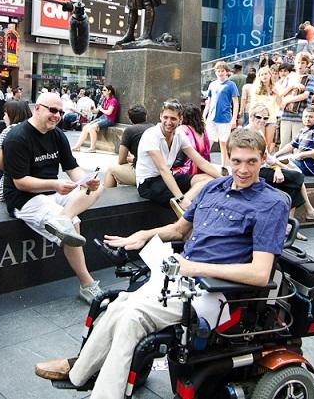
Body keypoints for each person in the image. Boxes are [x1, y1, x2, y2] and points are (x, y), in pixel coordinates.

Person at [33, 128, 289, 398]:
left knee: (133, 316)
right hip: (181, 275)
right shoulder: (214, 187)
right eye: (237, 161)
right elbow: (179, 230)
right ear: (228, 160)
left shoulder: (271, 204)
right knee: (118, 304)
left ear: (263, 158)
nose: (244, 169)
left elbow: (261, 274)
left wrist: (195, 268)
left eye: (251, 161)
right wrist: (142, 235)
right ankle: (79, 373)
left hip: (217, 292)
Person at [2, 92, 104, 304]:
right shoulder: (17, 137)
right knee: (73, 226)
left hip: (54, 193)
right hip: (24, 199)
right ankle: (87, 285)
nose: (57, 115)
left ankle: (62, 219)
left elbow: (72, 168)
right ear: (37, 108)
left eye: (60, 111)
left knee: (98, 187)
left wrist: (86, 181)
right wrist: (55, 184)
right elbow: (20, 182)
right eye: (53, 110)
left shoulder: (57, 135)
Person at [137, 101, 221, 217]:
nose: (168, 122)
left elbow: (200, 161)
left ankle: (180, 205)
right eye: (165, 117)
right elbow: (162, 169)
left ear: (180, 119)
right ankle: (182, 204)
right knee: (196, 201)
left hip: (168, 177)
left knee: (208, 179)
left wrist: (224, 179)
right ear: (160, 116)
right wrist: (180, 197)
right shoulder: (151, 135)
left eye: (173, 118)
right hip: (149, 183)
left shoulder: (179, 135)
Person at [247, 105, 314, 224]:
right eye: (259, 117)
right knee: (297, 177)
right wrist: (280, 166)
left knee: (293, 185)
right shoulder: (248, 133)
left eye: (266, 118)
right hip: (254, 172)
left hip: (309, 165)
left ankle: (289, 225)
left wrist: (278, 166)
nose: (262, 121)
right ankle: (307, 212)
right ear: (251, 117)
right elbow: (265, 159)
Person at [0, 100, 33, 200]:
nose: (4, 117)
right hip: (34, 177)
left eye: (5, 114)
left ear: (11, 115)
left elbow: (0, 165)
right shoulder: (34, 129)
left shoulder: (9, 131)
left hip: (14, 181)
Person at [104, 105, 153, 189]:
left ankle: (108, 199)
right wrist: (132, 159)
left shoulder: (130, 131)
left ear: (130, 119)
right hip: (157, 171)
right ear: (146, 116)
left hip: (142, 174)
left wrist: (129, 159)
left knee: (110, 170)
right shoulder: (153, 127)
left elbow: (121, 160)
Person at [203, 62, 239, 169]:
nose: (220, 73)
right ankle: (203, 163)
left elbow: (236, 102)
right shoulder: (212, 84)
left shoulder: (231, 85)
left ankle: (224, 166)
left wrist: (234, 119)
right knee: (208, 141)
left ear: (226, 72)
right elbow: (208, 101)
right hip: (212, 117)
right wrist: (204, 114)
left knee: (223, 143)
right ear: (215, 72)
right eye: (218, 71)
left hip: (225, 118)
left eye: (222, 70)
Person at [274, 107, 314, 177]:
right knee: (275, 161)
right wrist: (276, 154)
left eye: (310, 117)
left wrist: (301, 155)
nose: (307, 119)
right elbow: (291, 145)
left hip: (311, 166)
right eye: (305, 116)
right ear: (302, 118)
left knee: (278, 165)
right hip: (301, 162)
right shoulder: (302, 130)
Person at [239, 66, 280, 152]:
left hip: (271, 119)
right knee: (260, 142)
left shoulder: (275, 88)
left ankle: (266, 161)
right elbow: (253, 106)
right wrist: (252, 119)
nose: (264, 76)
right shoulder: (256, 88)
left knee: (268, 144)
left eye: (266, 74)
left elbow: (280, 104)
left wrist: (277, 93)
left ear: (270, 75)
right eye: (262, 74)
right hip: (259, 118)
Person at [72, 86, 119, 152]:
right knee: (86, 127)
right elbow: (96, 111)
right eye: (102, 90)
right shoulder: (104, 99)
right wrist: (92, 109)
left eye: (104, 90)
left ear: (109, 91)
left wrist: (101, 109)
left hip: (109, 119)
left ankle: (93, 147)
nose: (102, 91)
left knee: (92, 128)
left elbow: (109, 112)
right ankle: (77, 146)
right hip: (103, 117)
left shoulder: (113, 101)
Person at [171, 103, 211, 177]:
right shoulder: (203, 131)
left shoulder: (182, 129)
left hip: (187, 171)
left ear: (183, 117)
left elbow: (178, 161)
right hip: (204, 170)